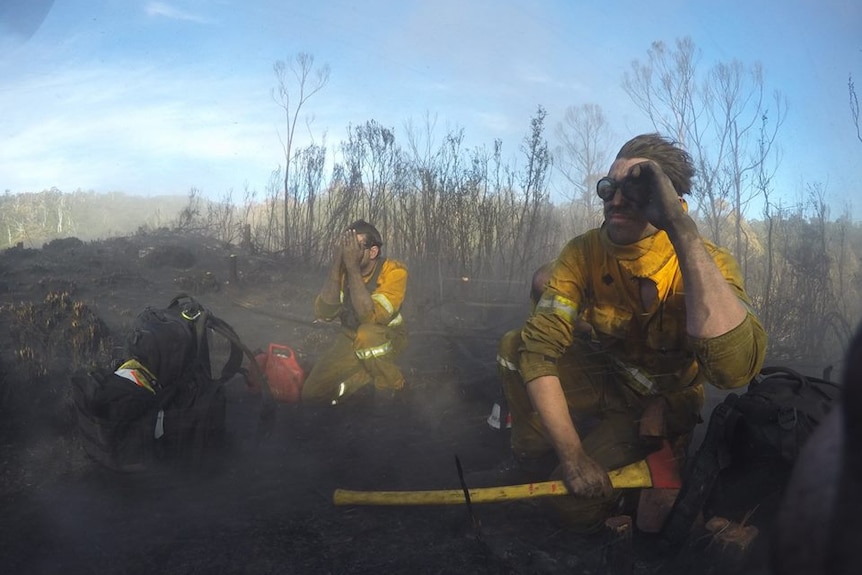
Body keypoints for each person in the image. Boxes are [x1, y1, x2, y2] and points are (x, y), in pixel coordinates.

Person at [494, 133, 768, 533]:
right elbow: (539, 351)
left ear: (669, 199)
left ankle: (645, 473)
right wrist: (572, 456)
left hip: (658, 402)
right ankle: (541, 450)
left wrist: (679, 228)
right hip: (607, 377)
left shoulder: (704, 262)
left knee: (571, 508)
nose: (616, 200)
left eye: (636, 189)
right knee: (514, 348)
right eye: (609, 187)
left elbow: (734, 372)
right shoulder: (583, 251)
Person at [301, 220, 408, 407]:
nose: (348, 252)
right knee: (311, 393)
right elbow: (325, 313)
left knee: (367, 335)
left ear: (373, 251)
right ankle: (365, 376)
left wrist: (352, 268)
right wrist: (337, 264)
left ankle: (393, 388)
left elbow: (372, 318)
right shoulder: (343, 271)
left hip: (388, 338)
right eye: (346, 246)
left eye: (355, 246)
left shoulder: (394, 271)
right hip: (350, 338)